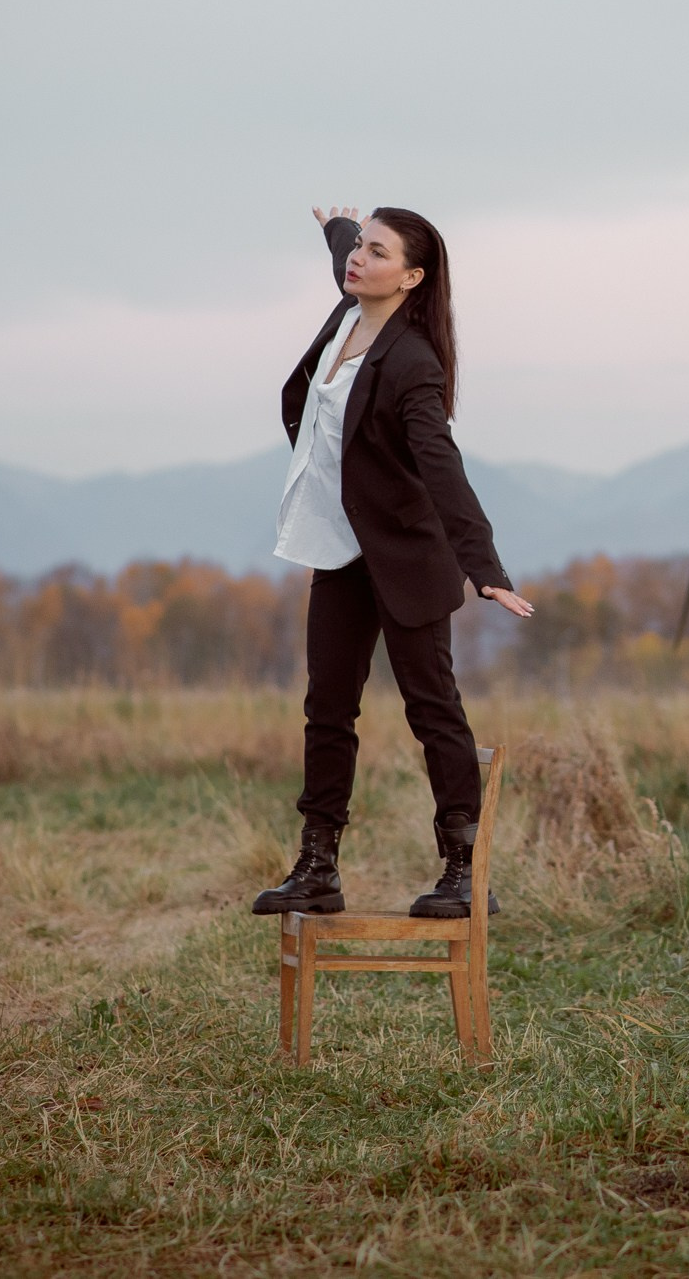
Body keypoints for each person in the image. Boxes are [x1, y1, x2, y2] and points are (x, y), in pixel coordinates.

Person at [253, 205, 534, 920]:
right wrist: (339, 229)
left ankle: (466, 871)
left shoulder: (413, 361)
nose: (359, 261)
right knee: (326, 709)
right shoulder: (348, 312)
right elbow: (348, 253)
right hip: (342, 550)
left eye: (378, 254)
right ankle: (317, 867)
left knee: (432, 709)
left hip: (407, 557)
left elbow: (440, 465)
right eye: (360, 249)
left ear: (410, 278)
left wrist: (485, 565)